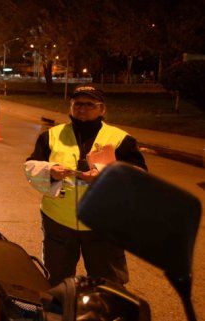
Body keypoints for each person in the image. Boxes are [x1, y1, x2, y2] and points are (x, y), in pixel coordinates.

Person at [24, 85, 147, 286]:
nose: (82, 108)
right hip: (58, 222)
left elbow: (139, 175)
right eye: (77, 104)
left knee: (107, 283)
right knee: (56, 279)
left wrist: (105, 175)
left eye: (89, 104)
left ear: (102, 109)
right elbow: (31, 166)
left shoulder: (121, 140)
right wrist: (51, 171)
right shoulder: (51, 136)